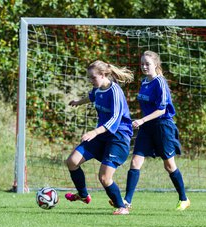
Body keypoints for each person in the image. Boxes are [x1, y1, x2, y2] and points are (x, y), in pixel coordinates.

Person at [113, 50, 190, 211]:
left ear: (156, 64)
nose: (144, 66)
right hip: (147, 128)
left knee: (169, 165)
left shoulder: (160, 82)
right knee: (135, 162)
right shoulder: (144, 81)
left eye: (147, 63)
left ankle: (184, 198)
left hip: (163, 126)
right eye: (142, 64)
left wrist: (141, 120)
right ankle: (127, 201)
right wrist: (143, 122)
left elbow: (161, 110)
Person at [64, 60, 134, 215]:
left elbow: (115, 119)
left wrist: (94, 132)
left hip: (118, 137)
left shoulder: (115, 91)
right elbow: (92, 96)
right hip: (103, 135)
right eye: (89, 78)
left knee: (104, 177)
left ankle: (122, 207)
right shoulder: (98, 89)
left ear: (103, 75)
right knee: (72, 161)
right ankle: (83, 195)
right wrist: (78, 102)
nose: (90, 81)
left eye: (93, 77)